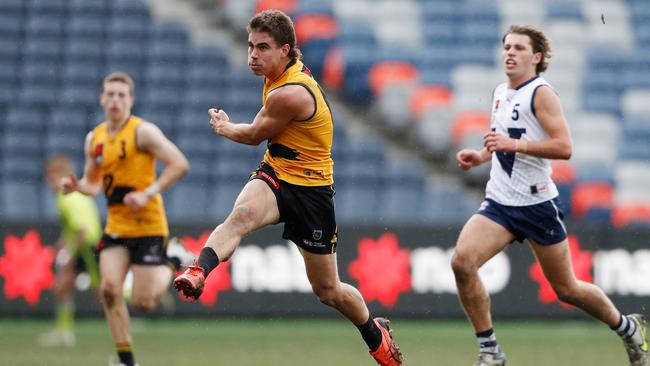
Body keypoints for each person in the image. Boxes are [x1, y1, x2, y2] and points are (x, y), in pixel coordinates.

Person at [173, 10, 403, 366]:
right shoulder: (277, 74)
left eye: (263, 47)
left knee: (328, 292)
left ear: (286, 50)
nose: (253, 54)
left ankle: (375, 333)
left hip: (311, 193)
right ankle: (197, 270)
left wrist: (224, 126)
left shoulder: (290, 93)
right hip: (278, 174)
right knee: (242, 215)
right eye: (250, 46)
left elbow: (251, 135)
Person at [451, 25, 648, 366]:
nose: (509, 53)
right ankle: (490, 351)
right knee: (462, 262)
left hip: (537, 205)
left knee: (567, 289)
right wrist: (482, 156)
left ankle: (628, 327)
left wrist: (514, 144)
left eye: (518, 48)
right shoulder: (501, 91)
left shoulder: (541, 93)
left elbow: (564, 147)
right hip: (500, 203)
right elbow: (504, 138)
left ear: (536, 57)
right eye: (507, 47)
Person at [61, 71, 191, 366]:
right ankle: (126, 360)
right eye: (111, 94)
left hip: (148, 225)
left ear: (130, 100)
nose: (115, 100)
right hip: (117, 226)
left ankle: (172, 258)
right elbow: (93, 183)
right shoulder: (94, 139)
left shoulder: (142, 132)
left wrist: (147, 193)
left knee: (144, 302)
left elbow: (179, 164)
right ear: (102, 99)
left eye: (121, 95)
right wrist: (78, 187)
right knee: (109, 289)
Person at [38, 154, 103, 347]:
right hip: (87, 245)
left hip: (89, 246)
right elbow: (74, 228)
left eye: (52, 177)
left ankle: (126, 314)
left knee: (102, 292)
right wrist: (63, 242)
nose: (49, 182)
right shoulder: (71, 194)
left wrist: (69, 253)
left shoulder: (66, 197)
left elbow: (82, 230)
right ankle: (64, 332)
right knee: (62, 286)